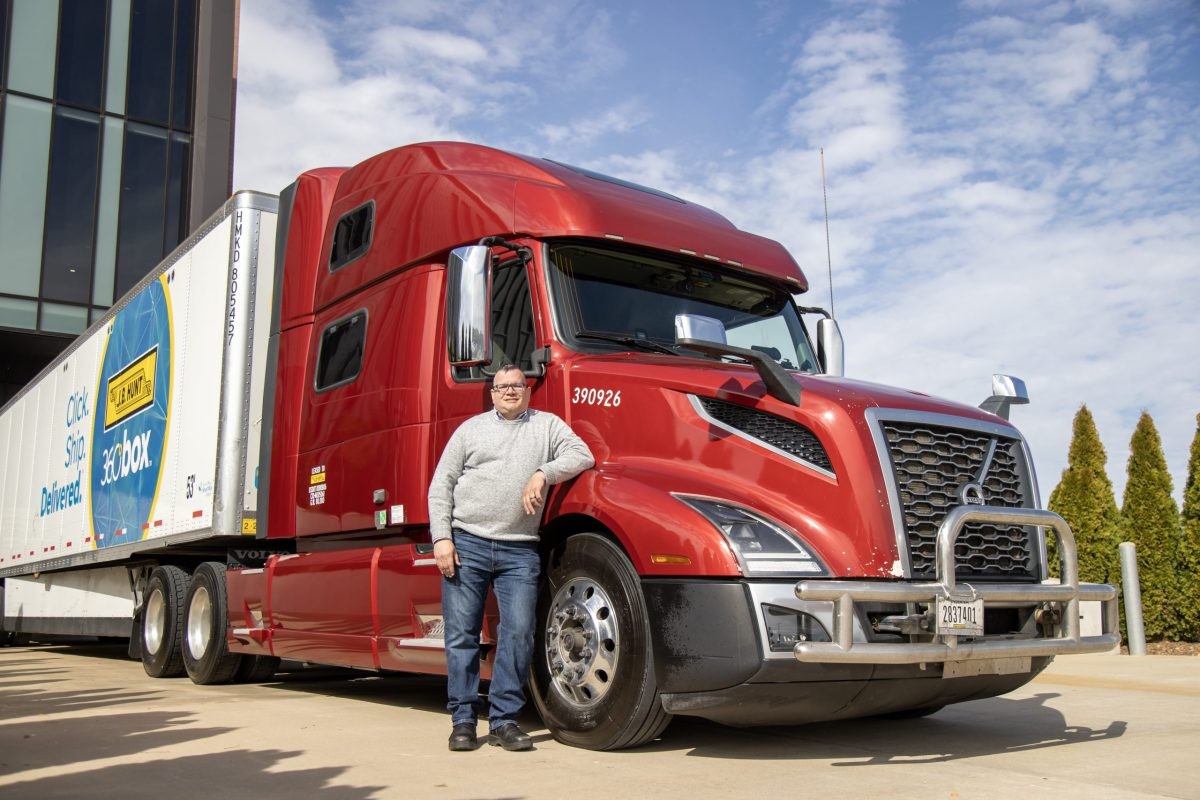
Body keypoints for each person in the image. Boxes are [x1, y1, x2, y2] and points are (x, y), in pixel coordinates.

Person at [428, 364, 594, 752]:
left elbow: (581, 455)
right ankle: (464, 721)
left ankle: (504, 721)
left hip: (519, 547)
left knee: (519, 633)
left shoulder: (547, 425)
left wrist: (542, 473)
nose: (509, 392)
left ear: (527, 390)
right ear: (492, 393)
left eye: (517, 385)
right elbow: (442, 486)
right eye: (502, 387)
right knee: (461, 636)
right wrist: (441, 538)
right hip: (466, 541)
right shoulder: (470, 430)